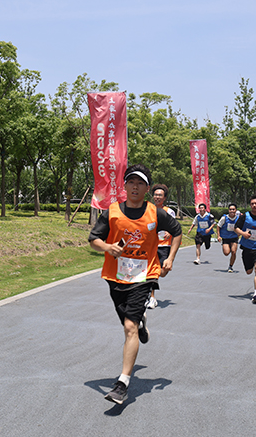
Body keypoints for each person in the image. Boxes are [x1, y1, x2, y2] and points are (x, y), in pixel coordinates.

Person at [88, 164, 182, 405]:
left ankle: (122, 384)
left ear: (147, 188)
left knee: (129, 328)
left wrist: (170, 258)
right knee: (128, 324)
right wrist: (107, 247)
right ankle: (140, 321)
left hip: (144, 276)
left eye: (140, 183)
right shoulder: (112, 212)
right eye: (131, 182)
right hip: (116, 277)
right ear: (125, 186)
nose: (135, 187)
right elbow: (93, 239)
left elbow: (177, 231)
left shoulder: (155, 213)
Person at [146, 183, 178, 309]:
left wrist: (170, 232)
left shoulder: (169, 212)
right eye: (155, 195)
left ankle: (150, 285)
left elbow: (175, 228)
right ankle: (152, 297)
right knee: (152, 272)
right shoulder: (148, 210)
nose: (157, 197)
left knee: (163, 272)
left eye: (160, 195)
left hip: (164, 246)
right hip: (151, 246)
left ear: (164, 198)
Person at [217, 203, 240, 273]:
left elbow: (242, 227)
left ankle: (230, 266)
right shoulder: (224, 218)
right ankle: (228, 246)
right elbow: (218, 226)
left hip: (234, 238)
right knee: (226, 253)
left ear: (236, 210)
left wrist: (240, 233)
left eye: (233, 209)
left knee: (233, 252)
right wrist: (218, 236)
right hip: (226, 238)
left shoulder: (238, 219)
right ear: (228, 210)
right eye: (230, 209)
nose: (232, 211)